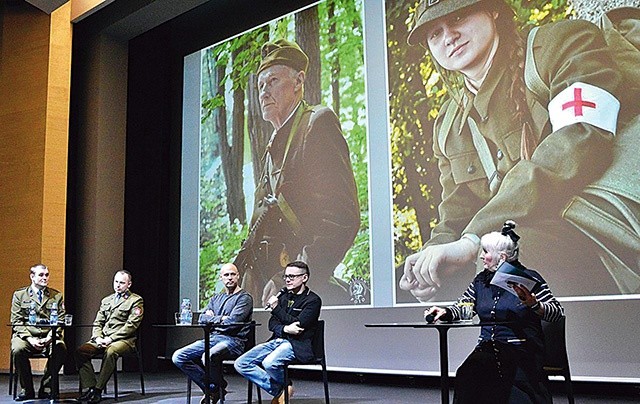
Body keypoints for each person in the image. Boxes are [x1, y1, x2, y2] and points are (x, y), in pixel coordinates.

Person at [400, 0, 638, 302]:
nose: (449, 36)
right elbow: (455, 210)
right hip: (531, 245)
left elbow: (579, 142)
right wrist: (433, 262)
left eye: (458, 17)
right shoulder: (450, 125)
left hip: (604, 233)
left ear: (492, 9)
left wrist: (474, 239)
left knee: (508, 264)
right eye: (434, 33)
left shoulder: (562, 44)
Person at [234, 38, 361, 307]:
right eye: (260, 86)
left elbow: (340, 220)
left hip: (300, 297)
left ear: (299, 81)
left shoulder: (317, 123)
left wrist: (289, 280)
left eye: (273, 81)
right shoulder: (274, 146)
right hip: (271, 293)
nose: (264, 92)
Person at [425, 221, 564, 403]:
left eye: (486, 252)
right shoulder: (481, 281)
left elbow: (557, 312)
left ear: (503, 258)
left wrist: (534, 304)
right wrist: (445, 312)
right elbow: (463, 306)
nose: (481, 257)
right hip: (488, 349)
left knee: (509, 383)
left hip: (521, 350)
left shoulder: (529, 279)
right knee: (467, 373)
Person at [234, 261, 322, 404]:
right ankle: (281, 390)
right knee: (241, 363)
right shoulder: (283, 296)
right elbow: (272, 323)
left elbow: (299, 324)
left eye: (292, 276)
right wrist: (285, 329)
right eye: (286, 276)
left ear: (304, 278)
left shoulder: (313, 300)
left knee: (269, 363)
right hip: (277, 340)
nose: (287, 280)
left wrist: (276, 309)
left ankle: (282, 391)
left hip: (297, 344)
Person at [172, 263, 253, 404]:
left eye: (232, 274)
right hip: (213, 338)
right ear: (221, 278)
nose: (229, 278)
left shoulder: (244, 298)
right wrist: (221, 318)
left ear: (238, 276)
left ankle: (215, 389)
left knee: (208, 356)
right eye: (226, 275)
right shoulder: (216, 298)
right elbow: (202, 319)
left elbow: (232, 323)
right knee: (178, 357)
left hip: (233, 341)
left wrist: (213, 319)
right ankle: (214, 387)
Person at [75, 270, 144, 403]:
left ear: (129, 284)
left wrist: (110, 339)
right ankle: (91, 388)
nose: (118, 285)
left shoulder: (135, 300)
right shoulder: (107, 300)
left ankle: (98, 390)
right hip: (103, 338)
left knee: (111, 351)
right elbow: (98, 322)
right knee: (81, 352)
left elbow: (131, 325)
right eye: (116, 282)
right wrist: (98, 338)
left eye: (122, 283)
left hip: (124, 340)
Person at [10, 263, 66, 401]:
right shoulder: (20, 295)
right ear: (32, 277)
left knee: (60, 347)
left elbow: (61, 320)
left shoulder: (56, 295)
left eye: (47, 275)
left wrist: (49, 337)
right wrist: (30, 339)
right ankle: (27, 389)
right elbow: (16, 321)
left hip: (49, 335)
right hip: (26, 336)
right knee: (17, 349)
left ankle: (46, 387)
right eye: (41, 275)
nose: (45, 278)